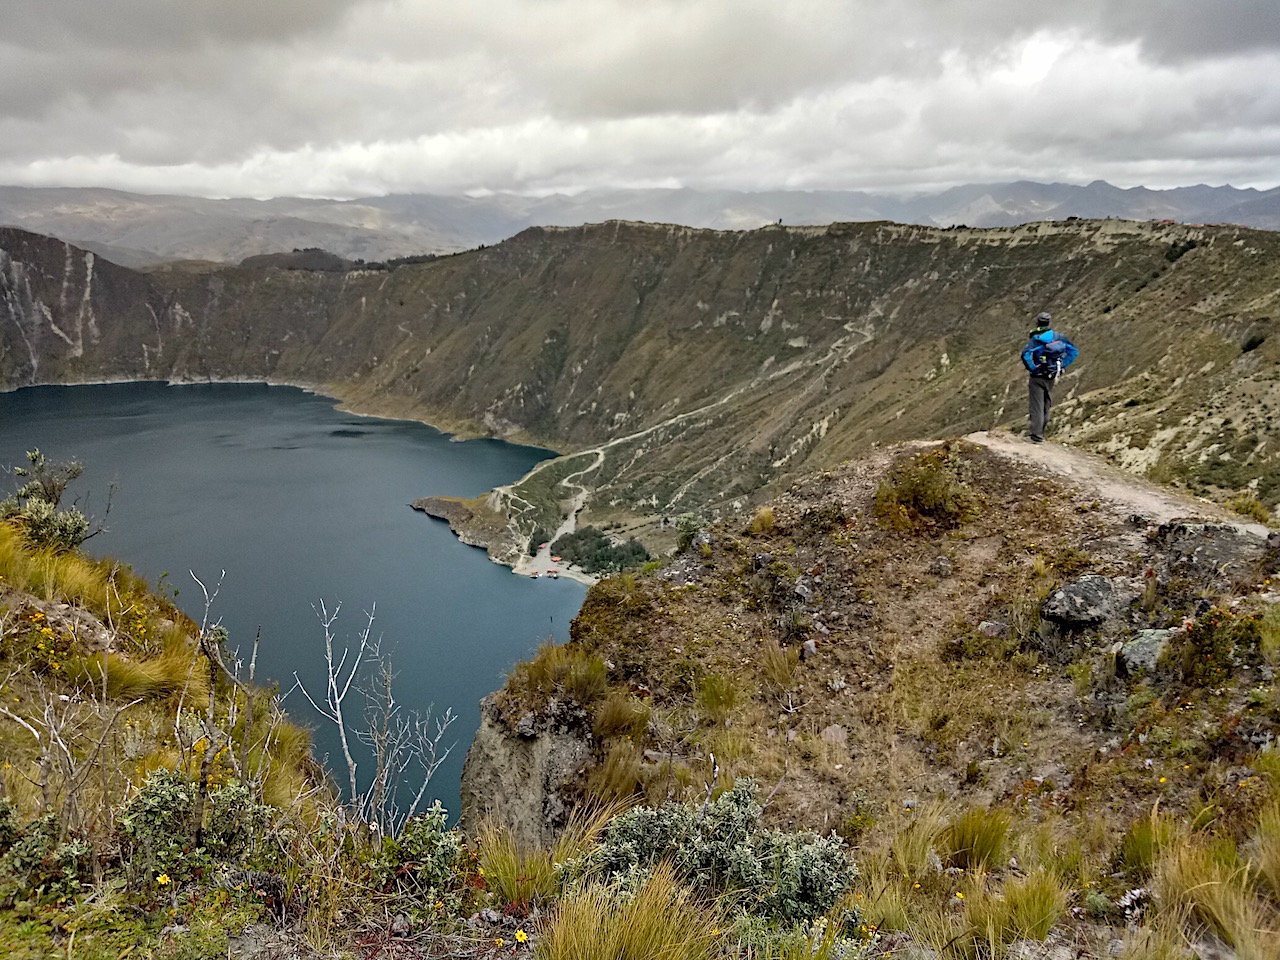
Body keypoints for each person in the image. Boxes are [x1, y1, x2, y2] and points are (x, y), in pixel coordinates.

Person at [1021, 312, 1078, 443]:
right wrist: (1062, 364)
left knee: (1037, 406)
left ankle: (1036, 436)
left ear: (1037, 323)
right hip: (1051, 375)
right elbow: (1074, 351)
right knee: (1046, 404)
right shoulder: (1059, 337)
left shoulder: (1036, 339)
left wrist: (1034, 368)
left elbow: (1025, 354)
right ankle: (1041, 433)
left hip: (1037, 376)